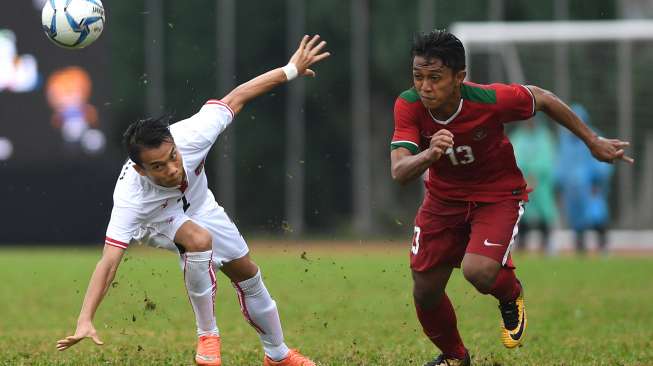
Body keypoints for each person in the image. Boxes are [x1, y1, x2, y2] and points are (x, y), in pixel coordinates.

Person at [56, 35, 330, 366]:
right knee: (198, 240)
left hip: (201, 205)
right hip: (155, 221)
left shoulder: (194, 134)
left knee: (249, 276)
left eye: (173, 157)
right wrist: (85, 318)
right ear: (141, 171)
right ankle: (208, 337)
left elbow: (239, 95)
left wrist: (290, 69)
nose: (172, 169)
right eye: (158, 166)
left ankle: (278, 355)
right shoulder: (131, 197)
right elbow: (109, 262)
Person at [390, 30, 633, 366]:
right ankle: (455, 357)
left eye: (435, 78)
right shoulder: (409, 104)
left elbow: (543, 98)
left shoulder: (490, 100)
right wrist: (429, 155)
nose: (425, 86)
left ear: (459, 77)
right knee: (425, 290)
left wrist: (592, 141)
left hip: (497, 195)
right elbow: (400, 171)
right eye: (418, 76)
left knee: (479, 273)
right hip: (442, 201)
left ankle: (511, 293)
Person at [555, 104, 614, 254]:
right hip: (572, 192)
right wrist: (559, 185)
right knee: (577, 223)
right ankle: (580, 252)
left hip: (591, 189)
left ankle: (603, 248)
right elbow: (560, 166)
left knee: (597, 217)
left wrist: (597, 181)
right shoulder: (565, 142)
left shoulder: (594, 138)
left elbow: (602, 164)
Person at [509, 118, 558, 254]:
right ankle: (521, 245)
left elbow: (548, 159)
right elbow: (514, 157)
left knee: (544, 215)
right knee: (522, 214)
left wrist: (535, 175)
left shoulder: (545, 137)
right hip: (522, 183)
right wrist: (525, 176)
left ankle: (546, 244)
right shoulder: (517, 137)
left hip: (541, 184)